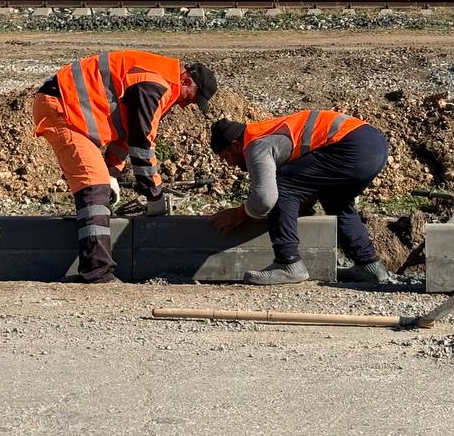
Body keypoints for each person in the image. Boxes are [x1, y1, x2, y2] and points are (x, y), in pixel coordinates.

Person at [34, 50, 218, 284]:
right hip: (63, 109)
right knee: (94, 185)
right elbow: (142, 145)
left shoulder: (157, 80)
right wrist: (155, 195)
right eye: (191, 98)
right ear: (186, 80)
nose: (185, 105)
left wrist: (112, 170)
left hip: (70, 109)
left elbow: (127, 136)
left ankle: (96, 266)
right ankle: (97, 274)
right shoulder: (155, 85)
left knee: (100, 181)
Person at [208, 109, 392, 285]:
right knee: (335, 199)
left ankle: (288, 262)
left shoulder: (256, 145)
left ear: (235, 145)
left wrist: (238, 214)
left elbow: (264, 199)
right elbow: (308, 174)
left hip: (351, 146)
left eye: (226, 157)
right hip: (373, 143)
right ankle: (369, 265)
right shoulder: (269, 131)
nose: (229, 164)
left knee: (283, 185)